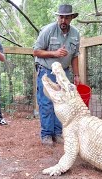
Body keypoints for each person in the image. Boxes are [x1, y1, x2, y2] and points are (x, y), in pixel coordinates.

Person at [33, 4, 81, 146]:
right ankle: (47, 135)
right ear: (57, 17)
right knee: (46, 103)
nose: (63, 20)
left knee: (63, 103)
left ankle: (58, 133)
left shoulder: (75, 34)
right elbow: (36, 51)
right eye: (61, 17)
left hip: (64, 72)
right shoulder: (48, 30)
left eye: (66, 17)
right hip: (46, 71)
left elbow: (75, 55)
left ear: (72, 18)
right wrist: (54, 53)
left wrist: (76, 75)